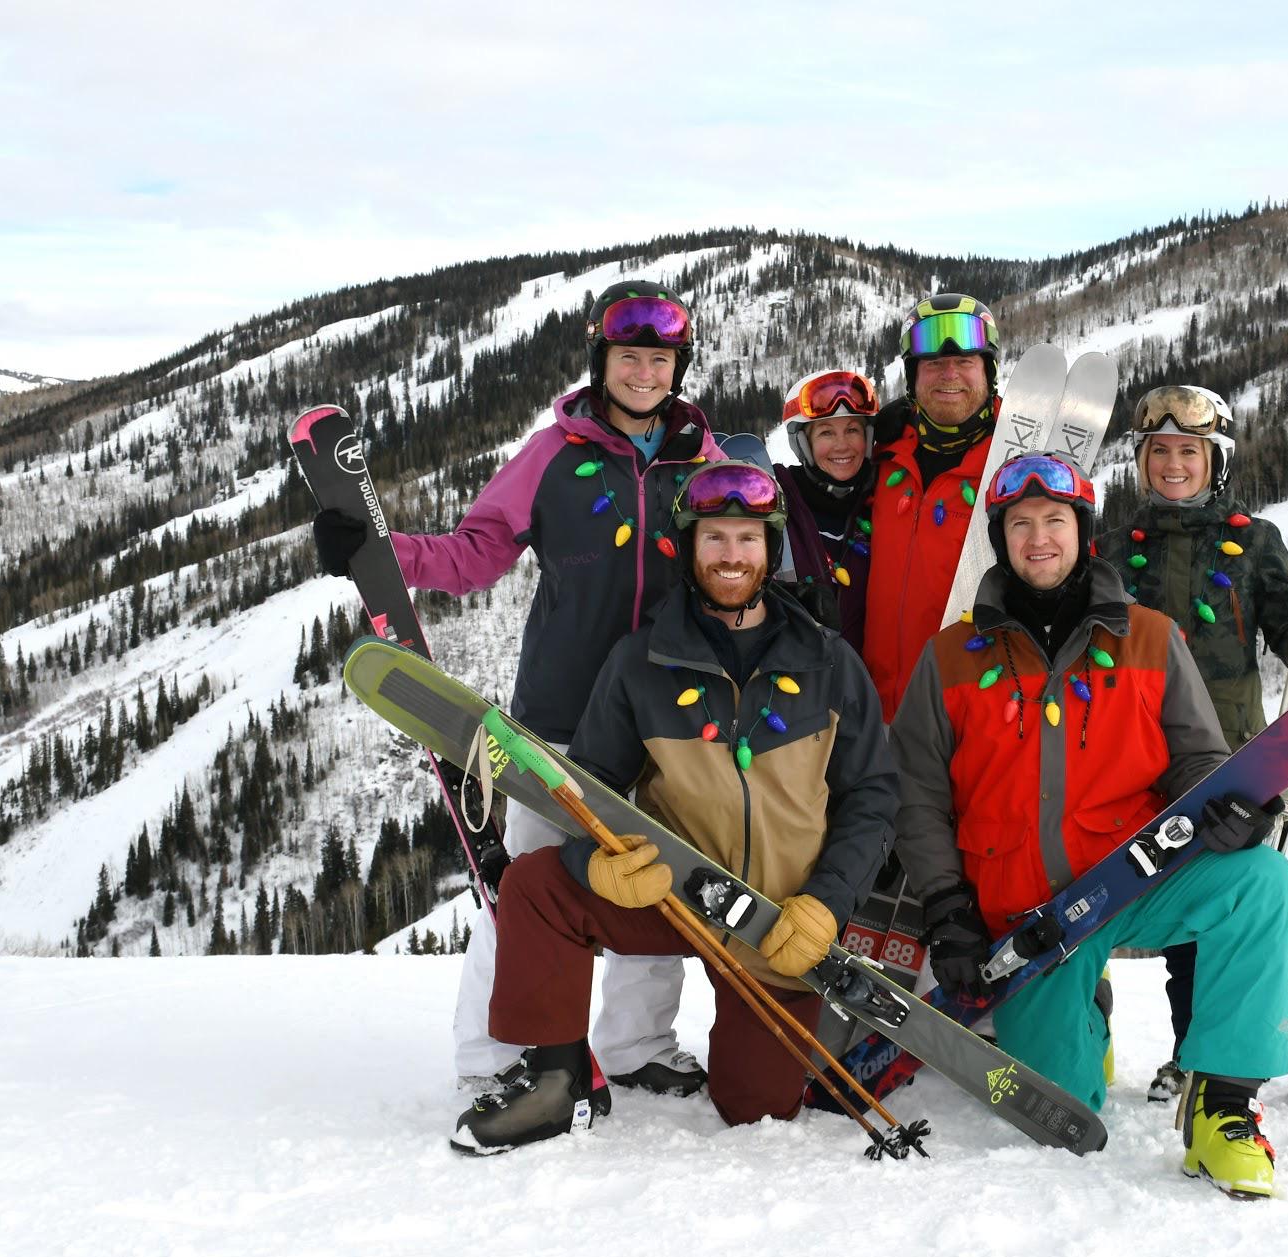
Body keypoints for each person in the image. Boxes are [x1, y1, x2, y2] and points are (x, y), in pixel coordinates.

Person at [312, 280, 721, 1100]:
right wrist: (378, 553)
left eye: (660, 358)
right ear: (600, 362)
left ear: (679, 367)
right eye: (628, 355)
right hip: (562, 717)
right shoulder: (554, 454)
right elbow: (475, 553)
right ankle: (491, 1054)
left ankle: (637, 1043)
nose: (644, 372)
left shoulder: (702, 463)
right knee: (531, 885)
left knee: (655, 886)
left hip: (668, 720)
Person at [450, 461, 898, 1152]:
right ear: (689, 549)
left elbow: (874, 794)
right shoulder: (641, 662)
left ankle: (742, 1052)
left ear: (769, 549)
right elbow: (589, 786)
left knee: (758, 1106)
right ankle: (556, 1077)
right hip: (677, 893)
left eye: (747, 539)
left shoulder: (828, 662)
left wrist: (827, 904)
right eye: (714, 538)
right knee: (536, 884)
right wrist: (591, 860)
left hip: (776, 924)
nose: (730, 556)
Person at [891, 451, 1288, 1199]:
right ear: (1001, 538)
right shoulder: (950, 656)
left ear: (1082, 531)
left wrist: (1237, 808)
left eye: (1054, 521)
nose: (1037, 539)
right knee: (1061, 1114)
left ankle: (1224, 1107)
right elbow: (915, 793)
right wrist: (946, 905)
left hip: (1130, 879)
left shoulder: (1148, 637)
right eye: (1019, 524)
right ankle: (1087, 1010)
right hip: (1027, 916)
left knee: (1261, 881)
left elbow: (1195, 762)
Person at [1095, 385, 1288, 1103]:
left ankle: (1224, 1049)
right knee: (1194, 908)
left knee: (1220, 908)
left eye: (1187, 451)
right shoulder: (1111, 549)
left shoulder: (1253, 543)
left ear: (1213, 460)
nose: (1171, 464)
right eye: (1158, 451)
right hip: (1136, 759)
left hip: (1231, 759)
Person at [862, 293, 1004, 719]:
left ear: (988, 370)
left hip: (968, 715)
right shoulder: (883, 459)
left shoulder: (1015, 469)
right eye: (933, 364)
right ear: (912, 376)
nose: (949, 374)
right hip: (874, 712)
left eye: (965, 362)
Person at [773, 368, 879, 651]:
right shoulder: (773, 503)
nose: (842, 445)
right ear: (803, 443)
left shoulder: (882, 504)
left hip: (868, 687)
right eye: (826, 432)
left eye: (852, 430)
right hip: (795, 685)